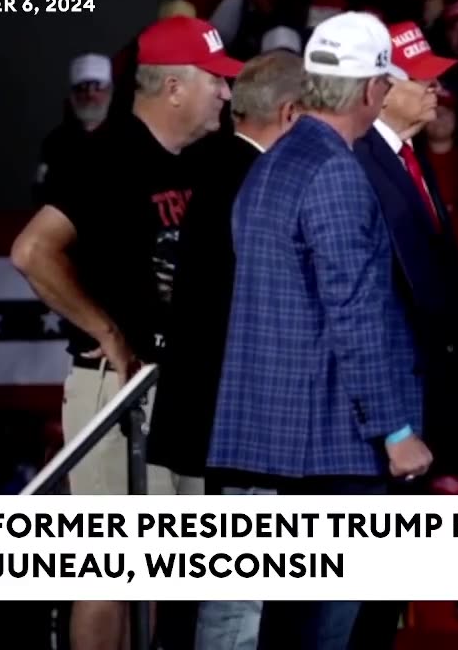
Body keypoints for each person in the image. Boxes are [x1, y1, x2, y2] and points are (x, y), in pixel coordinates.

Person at [9, 15, 240, 650]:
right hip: (117, 389)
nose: (225, 92)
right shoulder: (105, 155)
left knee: (163, 570)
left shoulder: (197, 160)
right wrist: (107, 331)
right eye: (215, 80)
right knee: (112, 569)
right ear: (173, 87)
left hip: (174, 388)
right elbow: (32, 251)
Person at [207, 11, 430, 650]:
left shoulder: (276, 160)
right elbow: (355, 313)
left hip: (287, 435)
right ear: (371, 91)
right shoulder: (335, 172)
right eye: (387, 82)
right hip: (334, 440)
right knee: (319, 634)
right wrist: (395, 431)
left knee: (289, 625)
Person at [142, 50, 303, 650]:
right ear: (291, 114)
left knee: (197, 596)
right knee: (235, 599)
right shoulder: (257, 182)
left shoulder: (204, 164)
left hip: (201, 412)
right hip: (235, 418)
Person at [349, 19, 458, 649]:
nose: (435, 90)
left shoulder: (406, 154)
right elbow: (366, 299)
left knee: (389, 581)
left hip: (422, 398)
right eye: (421, 79)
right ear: (381, 85)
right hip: (386, 409)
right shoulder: (358, 161)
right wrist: (394, 421)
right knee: (363, 589)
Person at [34, 53, 113, 204]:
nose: (90, 94)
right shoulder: (55, 142)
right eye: (82, 88)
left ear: (109, 91)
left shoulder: (131, 137)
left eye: (97, 87)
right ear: (72, 95)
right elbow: (41, 193)